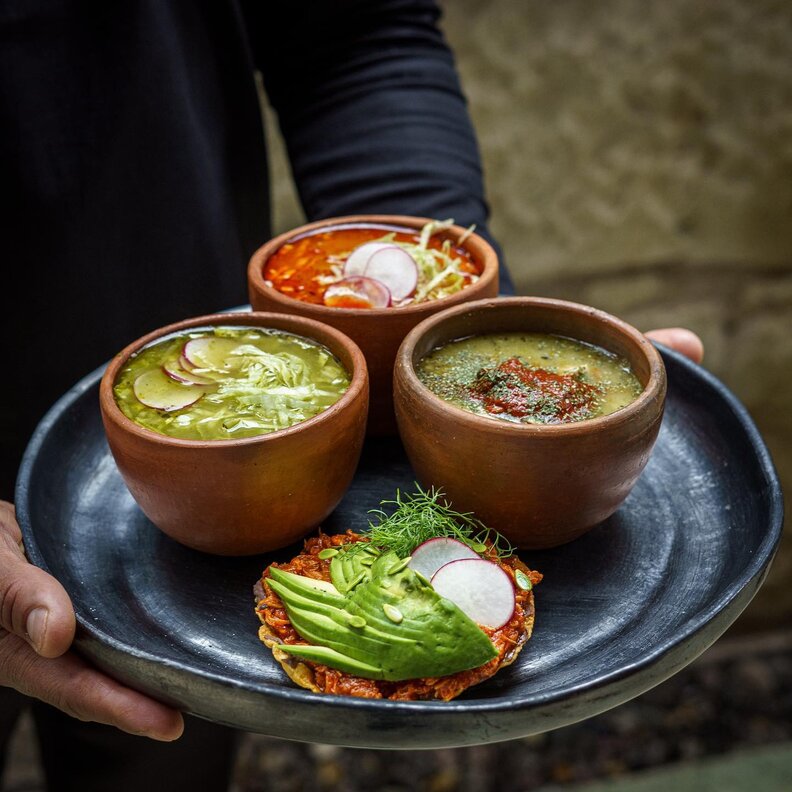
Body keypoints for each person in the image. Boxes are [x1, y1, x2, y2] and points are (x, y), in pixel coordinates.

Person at [0, 2, 703, 790]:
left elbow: (354, 33)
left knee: (160, 757)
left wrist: (462, 318)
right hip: (136, 467)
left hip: (229, 398)